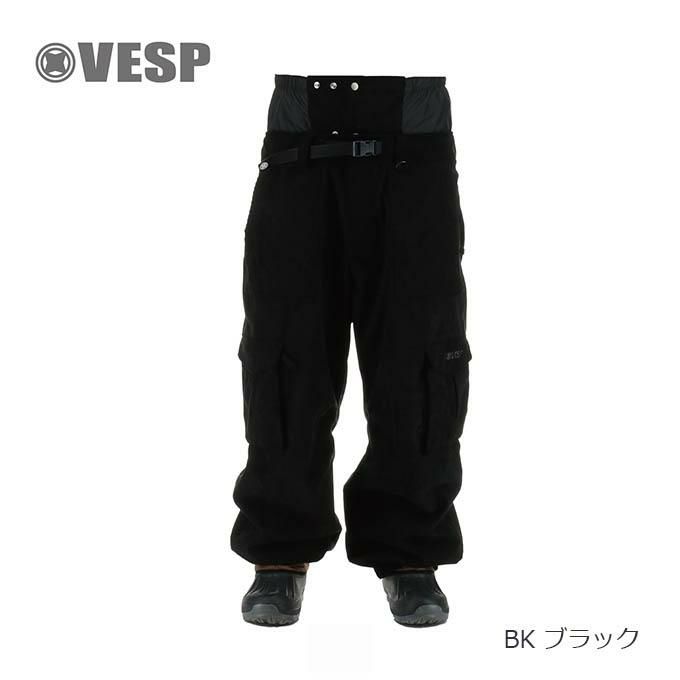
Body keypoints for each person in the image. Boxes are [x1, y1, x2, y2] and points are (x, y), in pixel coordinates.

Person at [231, 75, 470, 627]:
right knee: (284, 355)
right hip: (300, 138)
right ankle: (280, 548)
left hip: (414, 138)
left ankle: (409, 551)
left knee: (421, 358)